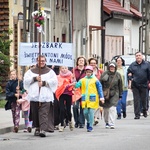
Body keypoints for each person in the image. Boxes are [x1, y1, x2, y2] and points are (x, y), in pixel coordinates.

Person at [23, 55, 58, 137]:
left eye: (43, 61)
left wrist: (44, 83)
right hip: (34, 96)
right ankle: (38, 127)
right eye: (39, 61)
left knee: (44, 113)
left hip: (45, 96)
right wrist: (34, 79)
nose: (41, 62)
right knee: (35, 113)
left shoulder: (50, 71)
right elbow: (26, 81)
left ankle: (43, 129)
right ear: (36, 61)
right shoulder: (30, 71)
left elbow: (54, 81)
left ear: (45, 61)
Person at [75, 66, 104, 132]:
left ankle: (90, 126)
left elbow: (100, 89)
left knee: (91, 112)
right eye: (87, 72)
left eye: (90, 72)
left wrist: (101, 97)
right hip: (85, 98)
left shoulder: (95, 80)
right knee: (85, 112)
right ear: (85, 72)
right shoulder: (82, 80)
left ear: (92, 72)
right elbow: (77, 86)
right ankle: (88, 121)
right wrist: (74, 84)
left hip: (92, 98)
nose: (88, 73)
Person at [127, 52, 150, 119]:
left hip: (144, 84)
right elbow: (129, 73)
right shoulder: (132, 65)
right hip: (135, 85)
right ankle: (137, 114)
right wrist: (130, 81)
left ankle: (144, 110)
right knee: (136, 100)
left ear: (142, 57)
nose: (138, 57)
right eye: (137, 56)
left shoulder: (147, 64)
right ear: (135, 57)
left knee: (144, 99)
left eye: (139, 55)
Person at [100, 62, 123, 129]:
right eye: (110, 67)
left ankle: (112, 123)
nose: (112, 68)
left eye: (113, 67)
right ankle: (107, 122)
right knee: (106, 109)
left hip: (115, 93)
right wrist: (100, 94)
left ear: (115, 67)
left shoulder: (118, 75)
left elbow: (120, 85)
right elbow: (100, 83)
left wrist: (120, 95)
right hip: (105, 93)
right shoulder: (104, 73)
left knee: (112, 108)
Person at [55, 66, 74, 132]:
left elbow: (74, 84)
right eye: (62, 68)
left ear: (68, 69)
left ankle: (70, 121)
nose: (64, 69)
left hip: (69, 94)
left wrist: (73, 82)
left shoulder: (71, 75)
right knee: (62, 109)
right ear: (60, 69)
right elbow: (59, 85)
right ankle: (62, 125)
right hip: (61, 94)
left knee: (68, 110)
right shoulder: (58, 77)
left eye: (65, 68)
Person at [72, 56, 87, 128]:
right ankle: (76, 121)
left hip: (84, 91)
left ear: (84, 62)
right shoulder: (73, 70)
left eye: (82, 60)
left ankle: (82, 122)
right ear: (77, 62)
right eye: (79, 60)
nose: (81, 62)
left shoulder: (87, 71)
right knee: (75, 106)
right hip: (75, 91)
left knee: (83, 106)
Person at [88, 57, 104, 125]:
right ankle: (94, 117)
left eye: (94, 63)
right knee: (92, 104)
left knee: (97, 104)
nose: (93, 64)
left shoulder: (100, 71)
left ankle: (95, 117)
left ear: (96, 64)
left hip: (98, 89)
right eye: (91, 63)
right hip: (90, 90)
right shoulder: (87, 71)